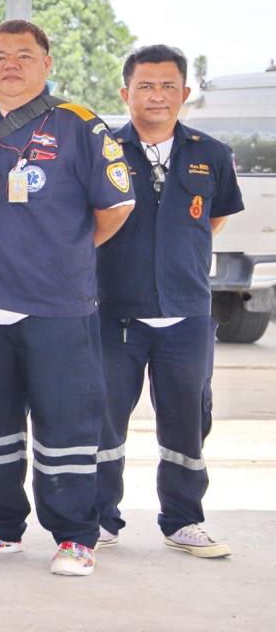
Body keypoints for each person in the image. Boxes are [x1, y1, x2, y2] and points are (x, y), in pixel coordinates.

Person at [0, 20, 135, 577]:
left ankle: (75, 536)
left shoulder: (79, 125)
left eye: (24, 55)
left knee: (66, 426)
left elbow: (116, 206)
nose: (11, 64)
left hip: (57, 308)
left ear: (46, 64)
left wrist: (66, 254)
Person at [94, 45, 242, 559]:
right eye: (145, 86)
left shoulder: (212, 153)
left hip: (187, 315)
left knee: (187, 422)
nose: (156, 96)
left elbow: (212, 219)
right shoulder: (103, 150)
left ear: (185, 93)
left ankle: (183, 520)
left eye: (167, 86)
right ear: (125, 92)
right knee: (103, 421)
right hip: (114, 312)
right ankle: (99, 519)